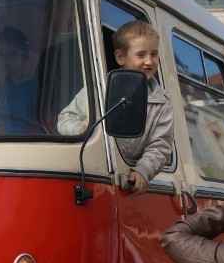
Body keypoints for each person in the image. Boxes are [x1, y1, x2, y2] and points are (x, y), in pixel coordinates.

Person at [57, 20, 174, 195]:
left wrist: (143, 171)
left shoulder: (162, 102)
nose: (149, 61)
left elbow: (160, 146)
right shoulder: (100, 88)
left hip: (127, 182)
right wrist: (81, 128)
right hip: (93, 174)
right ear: (121, 57)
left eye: (154, 54)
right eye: (141, 55)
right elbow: (65, 118)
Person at [0, 26, 37, 133]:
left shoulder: (39, 89)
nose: (5, 60)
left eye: (11, 54)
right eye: (0, 55)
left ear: (25, 56)